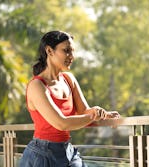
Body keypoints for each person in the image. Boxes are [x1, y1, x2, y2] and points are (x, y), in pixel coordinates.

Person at [19, 30, 120, 167]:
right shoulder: (37, 85)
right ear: (49, 51)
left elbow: (84, 111)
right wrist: (93, 116)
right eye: (66, 50)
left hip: (67, 151)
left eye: (72, 51)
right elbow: (61, 123)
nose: (71, 56)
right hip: (42, 155)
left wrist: (103, 114)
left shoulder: (68, 79)